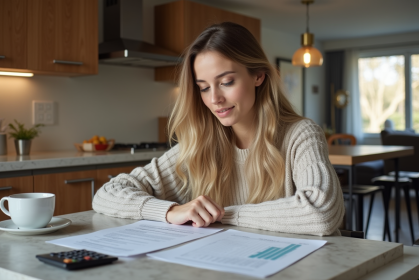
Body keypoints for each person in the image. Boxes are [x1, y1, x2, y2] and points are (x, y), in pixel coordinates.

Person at [93, 22, 345, 236]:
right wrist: (170, 212)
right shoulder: (201, 144)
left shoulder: (301, 134)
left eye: (226, 82)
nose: (214, 99)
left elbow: (321, 212)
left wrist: (220, 215)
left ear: (258, 76)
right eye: (203, 87)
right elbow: (108, 193)